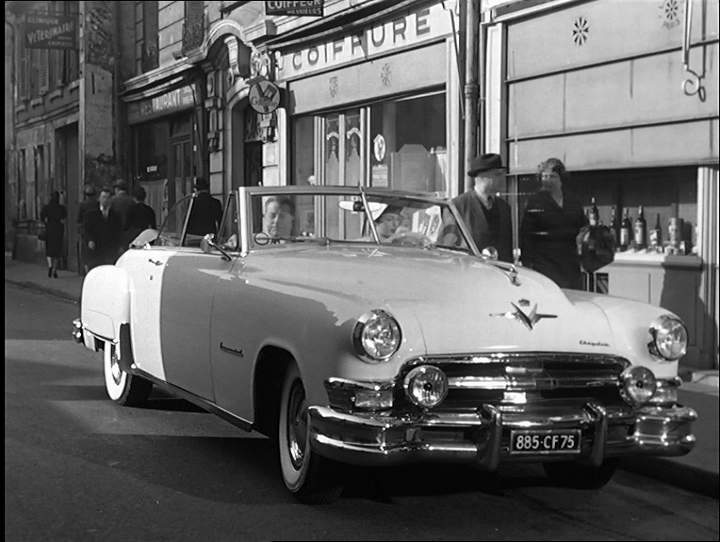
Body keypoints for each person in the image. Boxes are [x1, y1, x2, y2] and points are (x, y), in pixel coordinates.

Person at [520, 157, 587, 290]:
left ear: (561, 179)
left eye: (552, 176)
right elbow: (525, 235)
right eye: (544, 176)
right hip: (545, 265)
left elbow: (583, 227)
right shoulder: (535, 201)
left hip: (570, 263)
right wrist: (527, 264)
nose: (547, 180)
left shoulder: (572, 201)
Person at [452, 153, 513, 262]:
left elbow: (507, 250)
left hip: (499, 274)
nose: (503, 178)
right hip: (469, 273)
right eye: (498, 174)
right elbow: (446, 248)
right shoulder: (457, 206)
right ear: (482, 177)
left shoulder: (505, 208)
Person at [84, 187, 121, 268]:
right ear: (99, 198)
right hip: (96, 248)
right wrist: (90, 240)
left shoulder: (115, 215)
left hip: (109, 250)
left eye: (108, 198)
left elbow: (118, 232)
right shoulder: (91, 214)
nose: (105, 200)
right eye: (103, 197)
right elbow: (86, 229)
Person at [40, 191, 67, 278]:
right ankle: (55, 270)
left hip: (49, 229)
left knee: (49, 249)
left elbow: (42, 217)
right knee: (57, 251)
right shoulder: (61, 208)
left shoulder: (46, 207)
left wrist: (46, 222)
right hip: (58, 230)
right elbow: (64, 217)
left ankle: (50, 266)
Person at [76, 184, 97, 275]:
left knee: (85, 254)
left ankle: (87, 272)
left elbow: (78, 219)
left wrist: (80, 229)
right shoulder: (97, 204)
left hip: (85, 232)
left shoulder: (83, 205)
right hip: (96, 231)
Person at [110, 178, 134, 254]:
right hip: (129, 234)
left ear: (117, 189)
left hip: (114, 233)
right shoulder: (131, 201)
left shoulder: (112, 200)